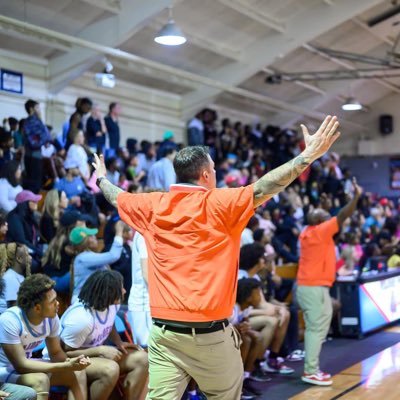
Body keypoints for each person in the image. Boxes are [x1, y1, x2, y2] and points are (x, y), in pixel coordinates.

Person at [92, 116, 341, 399]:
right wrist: (307, 156)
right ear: (206, 175)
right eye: (213, 169)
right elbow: (264, 186)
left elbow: (116, 196)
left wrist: (101, 177)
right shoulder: (222, 203)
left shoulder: (152, 205)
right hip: (209, 336)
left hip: (163, 334)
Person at [296, 177, 362, 386]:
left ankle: (311, 366)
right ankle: (310, 371)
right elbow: (343, 214)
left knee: (319, 326)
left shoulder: (308, 232)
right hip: (313, 287)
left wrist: (323, 206)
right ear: (320, 222)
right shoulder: (321, 231)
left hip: (313, 287)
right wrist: (356, 197)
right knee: (316, 329)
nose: (326, 215)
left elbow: (319, 215)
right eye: (324, 214)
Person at [60, 270, 148, 400]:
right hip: (68, 362)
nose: (124, 291)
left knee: (143, 358)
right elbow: (65, 353)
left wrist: (119, 342)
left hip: (93, 356)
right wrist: (100, 350)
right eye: (120, 288)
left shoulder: (111, 306)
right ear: (108, 293)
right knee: (110, 369)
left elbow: (109, 322)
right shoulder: (81, 319)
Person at [0, 274, 90, 400]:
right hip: (5, 371)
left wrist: (73, 363)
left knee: (78, 373)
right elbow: (21, 365)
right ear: (37, 308)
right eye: (53, 301)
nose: (58, 304)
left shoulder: (50, 318)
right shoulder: (10, 320)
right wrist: (65, 366)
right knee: (40, 380)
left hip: (27, 366)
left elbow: (56, 352)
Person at [69, 222, 124, 303]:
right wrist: (119, 232)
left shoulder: (86, 256)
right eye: (91, 236)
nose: (95, 237)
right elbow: (114, 255)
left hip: (90, 300)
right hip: (82, 302)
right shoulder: (83, 257)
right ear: (86, 241)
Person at [128, 232, 151, 347]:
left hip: (151, 300)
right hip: (143, 301)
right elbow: (146, 273)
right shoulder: (144, 234)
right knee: (147, 346)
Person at [0, 243, 31, 312]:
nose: (30, 257)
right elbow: (14, 308)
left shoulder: (19, 275)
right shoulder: (10, 277)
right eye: (27, 255)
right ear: (19, 259)